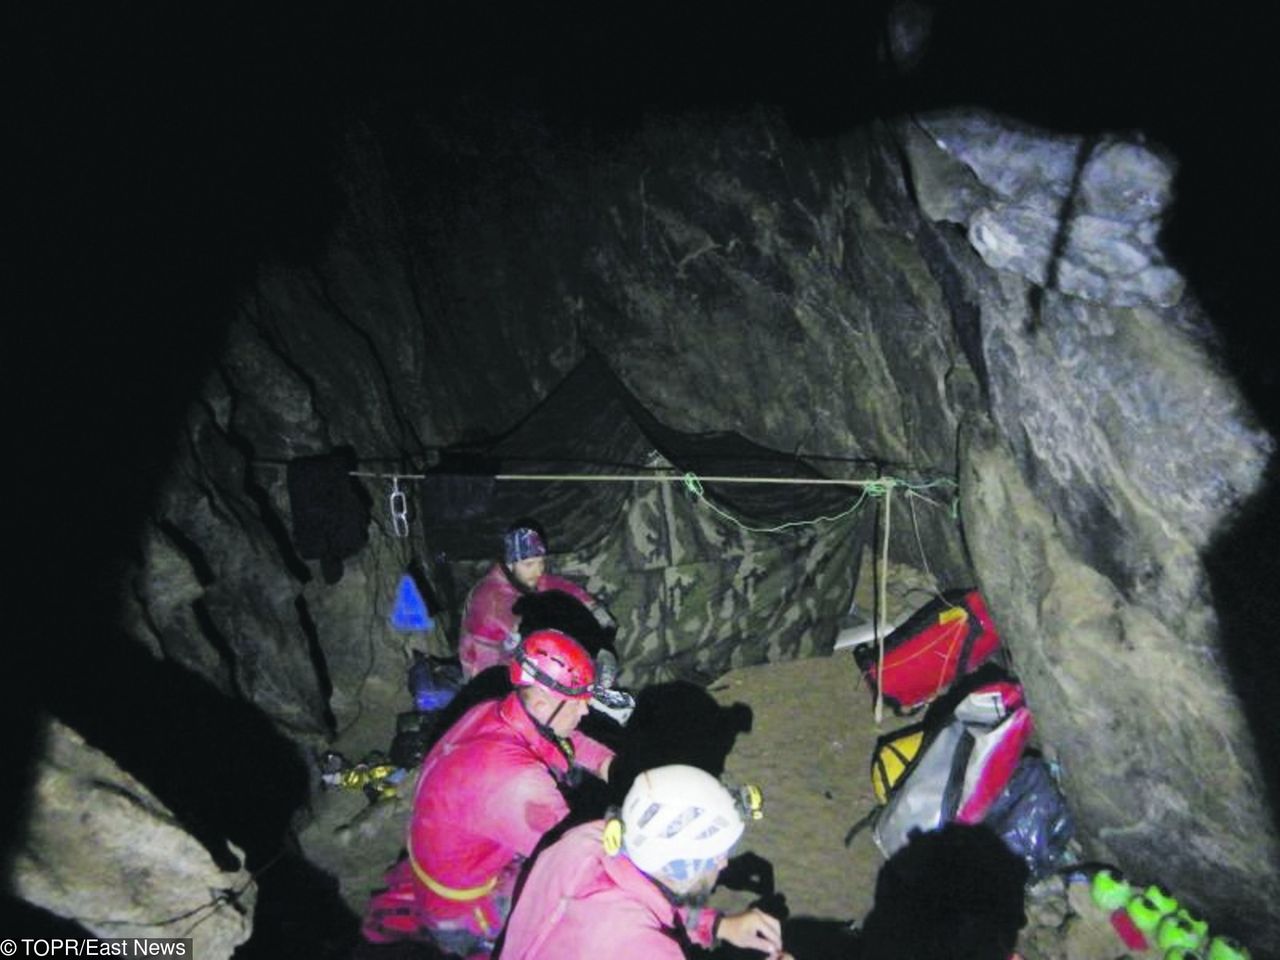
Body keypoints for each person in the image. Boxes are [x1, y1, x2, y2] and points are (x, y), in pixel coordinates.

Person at [361, 629, 615, 959]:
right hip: (462, 914)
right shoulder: (512, 780)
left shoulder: (496, 711)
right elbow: (580, 862)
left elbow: (565, 741)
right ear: (540, 702)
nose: (585, 712)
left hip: (449, 863)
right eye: (579, 703)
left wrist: (612, 764)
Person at [499, 764, 793, 960]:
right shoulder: (643, 948)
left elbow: (652, 890)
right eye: (715, 855)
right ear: (679, 864)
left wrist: (717, 926)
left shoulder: (591, 839)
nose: (723, 864)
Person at [458, 522, 614, 681]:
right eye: (529, 564)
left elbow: (559, 586)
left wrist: (594, 609)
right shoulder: (490, 603)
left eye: (541, 562)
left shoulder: (527, 579)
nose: (538, 571)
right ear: (510, 564)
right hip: (497, 677)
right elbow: (485, 669)